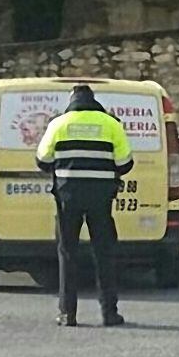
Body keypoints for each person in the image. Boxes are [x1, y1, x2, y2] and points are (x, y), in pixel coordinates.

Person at [35, 85, 133, 327]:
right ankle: (109, 313)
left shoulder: (58, 124)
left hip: (68, 197)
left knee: (67, 252)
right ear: (93, 100)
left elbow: (42, 160)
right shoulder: (111, 124)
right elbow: (125, 163)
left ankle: (68, 313)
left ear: (72, 100)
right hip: (101, 198)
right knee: (104, 253)